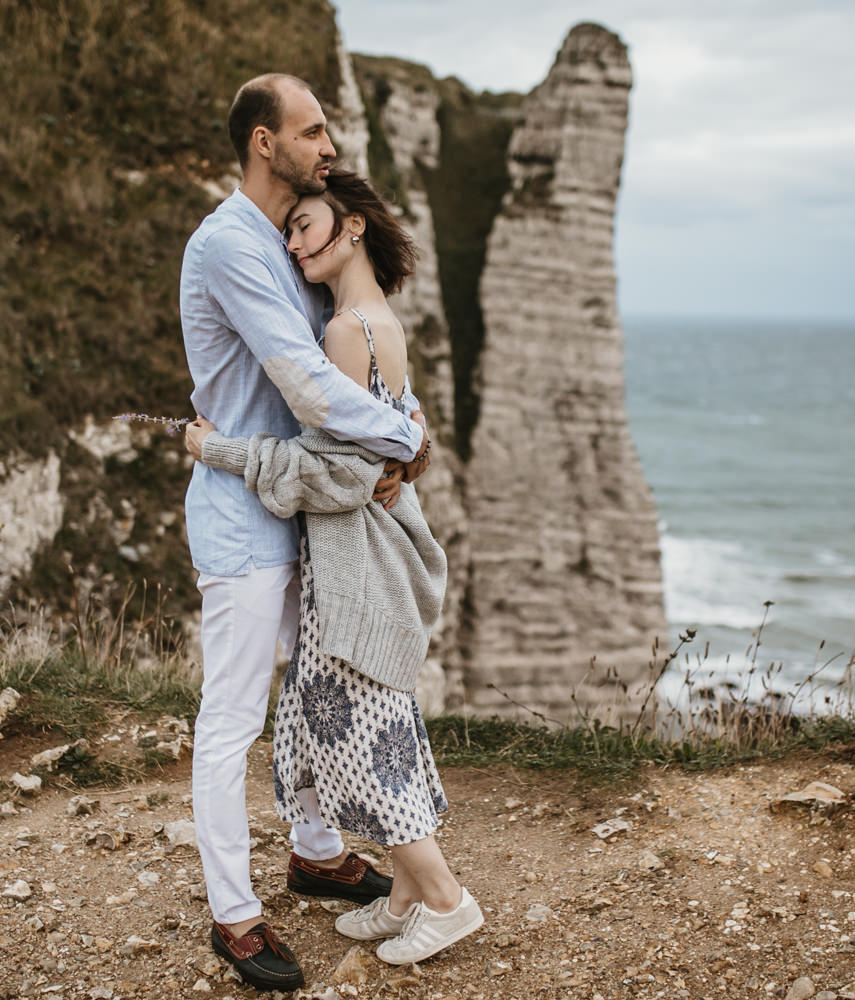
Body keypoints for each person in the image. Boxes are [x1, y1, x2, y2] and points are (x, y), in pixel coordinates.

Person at [185, 169, 482, 967]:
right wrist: (409, 438)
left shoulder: (344, 329)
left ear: (350, 229)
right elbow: (390, 423)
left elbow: (340, 470)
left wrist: (215, 448)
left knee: (360, 727)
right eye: (290, 229)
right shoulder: (372, 318)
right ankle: (408, 892)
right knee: (342, 718)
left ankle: (443, 896)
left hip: (352, 558)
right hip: (368, 552)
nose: (294, 241)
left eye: (308, 226)